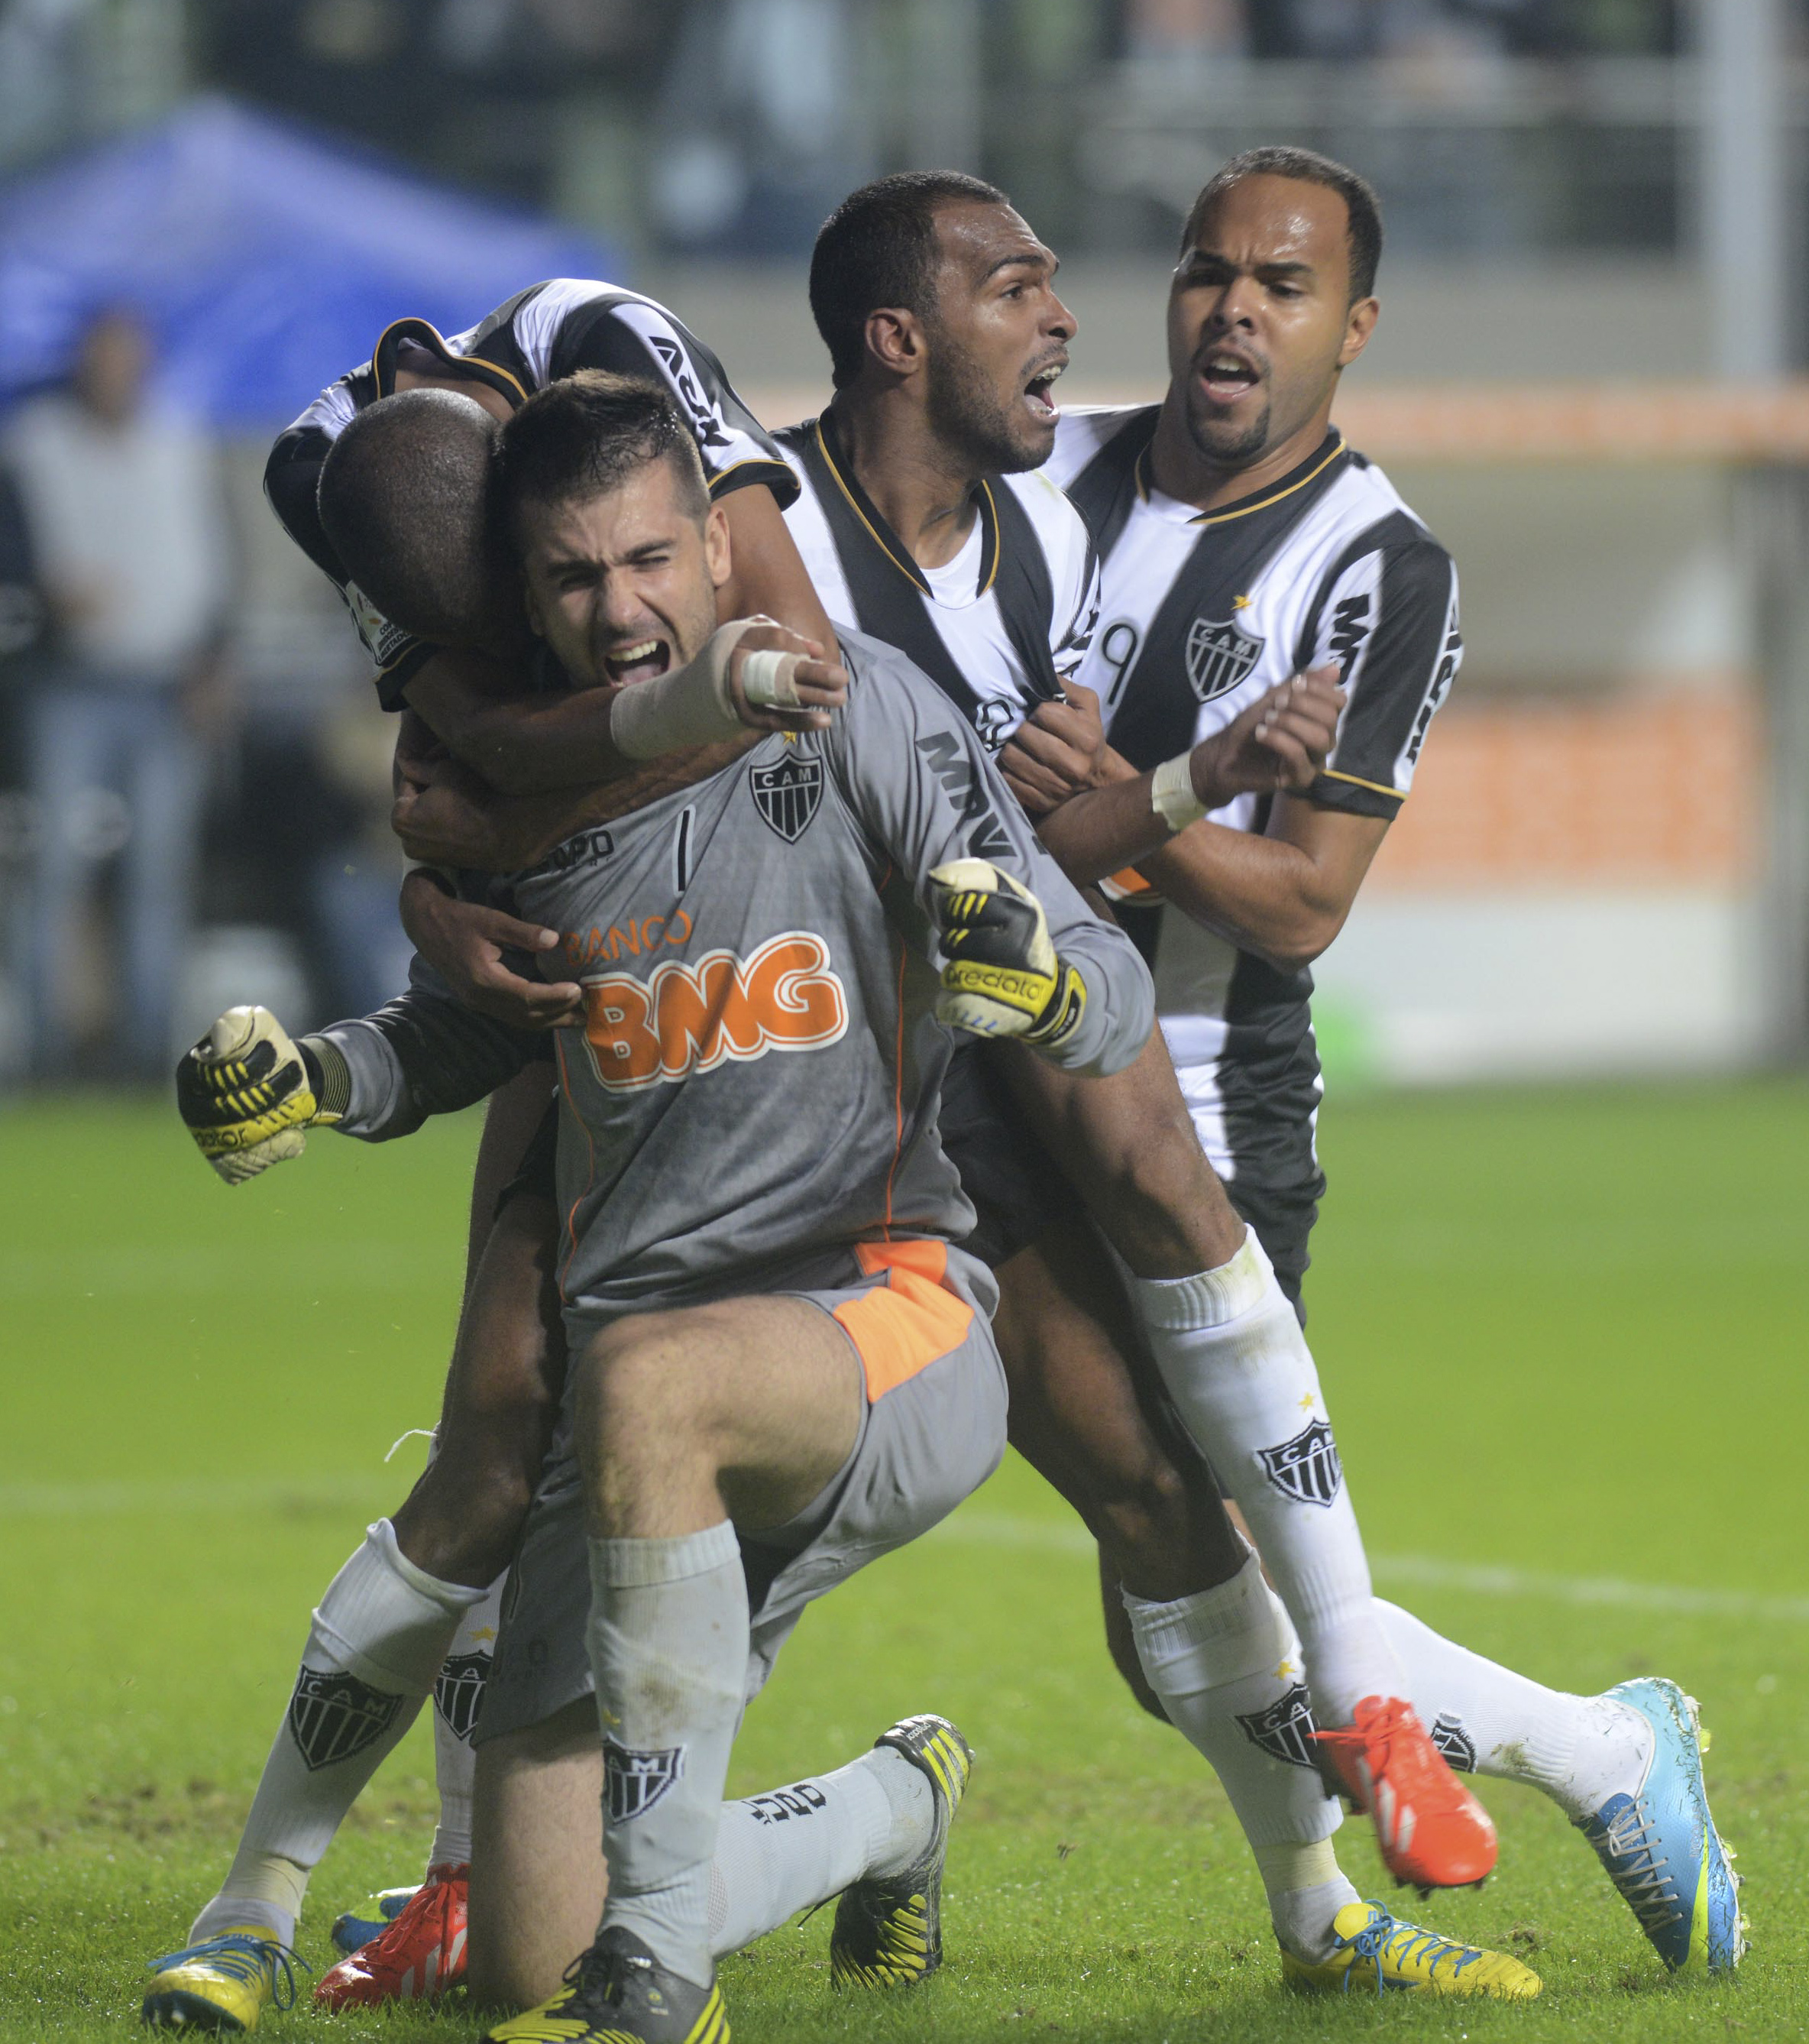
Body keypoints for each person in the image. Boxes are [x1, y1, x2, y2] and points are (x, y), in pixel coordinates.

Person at [179, 369, 1162, 2044]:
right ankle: (886, 1806)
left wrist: (1033, 982)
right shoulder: (529, 804)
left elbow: (1105, 978)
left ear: (716, 547)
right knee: (518, 1954)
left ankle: (657, 1982)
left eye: (647, 560)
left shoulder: (862, 716)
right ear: (526, 595)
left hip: (887, 1318)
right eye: (572, 578)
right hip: (646, 1424)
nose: (619, 610)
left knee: (645, 1381)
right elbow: (483, 1027)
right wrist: (319, 1078)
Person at [1005, 145, 1743, 1978]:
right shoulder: (1046, 472)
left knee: (1182, 1586)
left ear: (1354, 327)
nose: (1233, 309)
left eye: (1280, 284)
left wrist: (1133, 815)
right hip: (996, 1065)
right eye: (1205, 272)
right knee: (1156, 1574)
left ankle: (1590, 1748)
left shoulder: (1379, 567)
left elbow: (1306, 902)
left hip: (1198, 1090)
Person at [144, 279, 849, 2026]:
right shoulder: (326, 476)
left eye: (617, 577)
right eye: (556, 593)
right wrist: (438, 900)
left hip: (805, 959)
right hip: (593, 974)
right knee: (487, 1461)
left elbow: (781, 662)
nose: (605, 620)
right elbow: (447, 768)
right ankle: (264, 1899)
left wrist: (492, 831)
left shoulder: (606, 334)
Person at [5, 305, 231, 1078]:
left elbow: (213, 552)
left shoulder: (179, 436)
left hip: (166, 681)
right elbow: (12, 552)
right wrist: (41, 590)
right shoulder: (36, 443)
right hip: (69, 681)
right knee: (56, 869)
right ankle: (46, 1048)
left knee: (158, 872)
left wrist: (213, 658)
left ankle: (143, 1049)